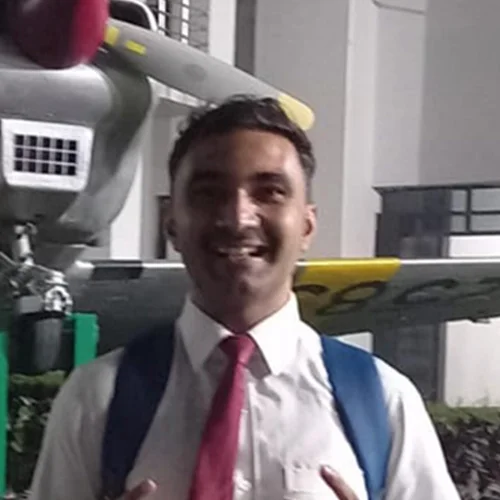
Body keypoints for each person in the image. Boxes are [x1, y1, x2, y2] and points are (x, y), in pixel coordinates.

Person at [29, 95, 459, 500]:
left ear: (307, 226)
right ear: (171, 224)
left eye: (269, 192)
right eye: (208, 193)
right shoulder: (96, 399)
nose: (237, 217)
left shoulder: (383, 401)